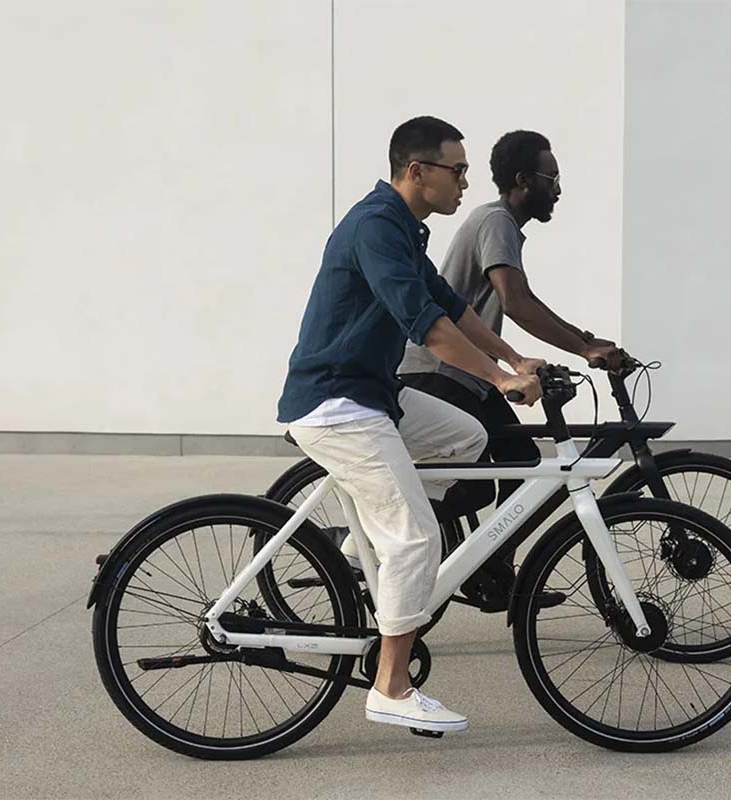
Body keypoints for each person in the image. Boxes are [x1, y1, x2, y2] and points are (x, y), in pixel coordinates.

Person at [277, 116, 544, 734]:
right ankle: (391, 688)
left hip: (375, 396)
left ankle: (360, 547)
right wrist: (501, 382)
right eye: (458, 171)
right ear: (417, 171)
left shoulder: (402, 227)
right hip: (336, 405)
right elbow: (428, 327)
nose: (465, 183)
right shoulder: (376, 227)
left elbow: (454, 307)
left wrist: (513, 359)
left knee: (467, 437)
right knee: (419, 538)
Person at [399, 130, 621, 554]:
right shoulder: (496, 221)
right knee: (477, 486)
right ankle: (384, 540)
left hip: (466, 376)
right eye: (550, 179)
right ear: (523, 180)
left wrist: (584, 341)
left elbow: (522, 299)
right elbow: (516, 302)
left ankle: (492, 561)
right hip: (440, 372)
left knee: (523, 465)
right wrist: (584, 348)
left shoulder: (501, 225)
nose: (558, 189)